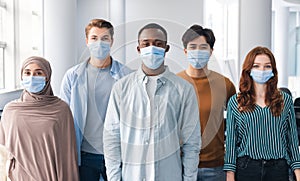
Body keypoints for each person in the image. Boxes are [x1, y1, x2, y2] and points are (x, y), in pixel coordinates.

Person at [103, 23, 201, 181]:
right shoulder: (121, 88)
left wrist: (189, 179)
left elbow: (192, 142)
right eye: (146, 44)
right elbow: (112, 139)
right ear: (138, 48)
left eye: (158, 44)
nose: (151, 48)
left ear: (166, 48)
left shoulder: (184, 89)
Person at [60, 19, 131, 181]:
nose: (99, 43)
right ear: (87, 41)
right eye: (94, 38)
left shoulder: (126, 75)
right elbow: (64, 118)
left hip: (117, 153)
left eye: (105, 38)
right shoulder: (72, 76)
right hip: (84, 154)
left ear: (112, 41)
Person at [224, 46, 300, 181]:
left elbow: (292, 141)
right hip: (247, 168)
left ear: (273, 70)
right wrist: (230, 175)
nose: (262, 70)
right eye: (256, 66)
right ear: (248, 70)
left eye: (267, 66)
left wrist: (298, 172)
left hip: (278, 168)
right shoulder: (235, 102)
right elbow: (231, 142)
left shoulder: (285, 100)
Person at [0, 56, 79, 180]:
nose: (32, 77)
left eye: (38, 73)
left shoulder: (61, 110)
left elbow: (67, 156)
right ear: (22, 76)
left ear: (47, 76)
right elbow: (3, 152)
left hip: (48, 176)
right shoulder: (11, 110)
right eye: (27, 73)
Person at [177, 24, 236, 181]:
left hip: (215, 166)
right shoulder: (173, 83)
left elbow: (236, 126)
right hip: (180, 165)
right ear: (185, 51)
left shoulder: (225, 84)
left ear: (211, 52)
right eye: (192, 47)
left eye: (203, 47)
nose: (197, 51)